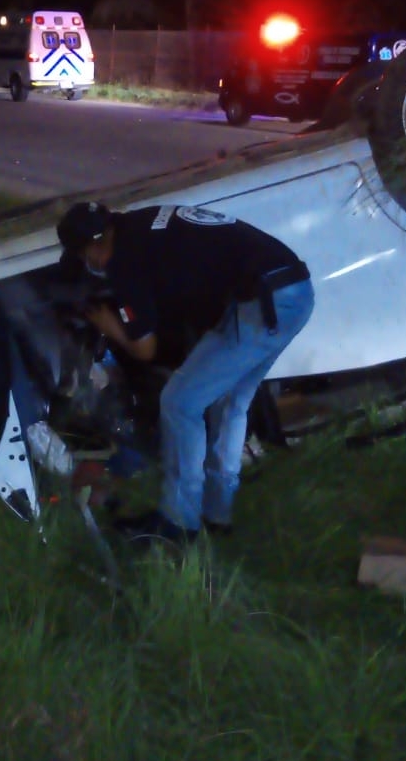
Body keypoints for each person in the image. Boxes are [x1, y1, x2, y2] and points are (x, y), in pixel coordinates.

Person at [56, 200, 315, 541]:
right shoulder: (140, 222)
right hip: (291, 288)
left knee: (180, 403)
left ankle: (177, 522)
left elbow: (144, 350)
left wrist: (109, 325)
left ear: (90, 251)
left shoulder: (123, 262)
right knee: (230, 401)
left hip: (264, 300)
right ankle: (216, 514)